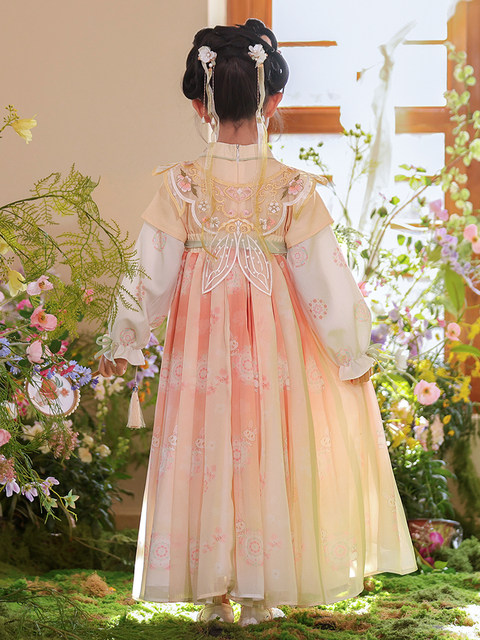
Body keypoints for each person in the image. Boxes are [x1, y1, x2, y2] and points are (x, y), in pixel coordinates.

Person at [97, 18, 418, 626]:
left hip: (200, 348)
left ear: (200, 103)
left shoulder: (183, 186)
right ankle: (259, 591)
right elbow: (323, 278)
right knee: (268, 444)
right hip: (274, 348)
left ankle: (212, 593)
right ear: (274, 100)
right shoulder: (293, 189)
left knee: (207, 443)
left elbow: (149, 269)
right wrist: (351, 350)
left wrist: (127, 336)